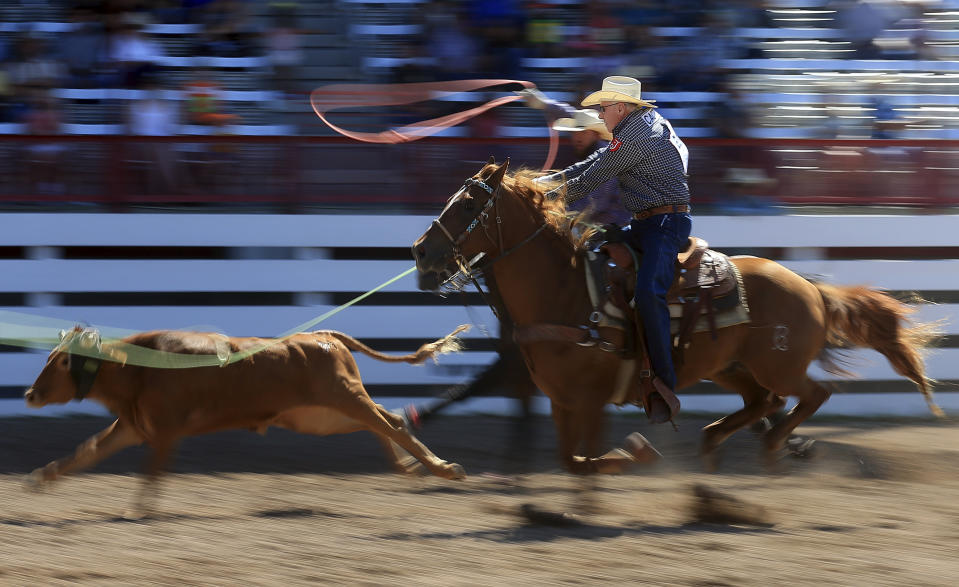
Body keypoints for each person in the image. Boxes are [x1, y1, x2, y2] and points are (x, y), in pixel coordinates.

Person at [532, 75, 691, 424]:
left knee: (650, 293)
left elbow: (591, 178)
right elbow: (589, 166)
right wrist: (541, 183)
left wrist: (542, 198)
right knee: (594, 255)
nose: (599, 115)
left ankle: (663, 381)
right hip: (648, 224)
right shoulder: (638, 127)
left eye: (603, 108)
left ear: (620, 106)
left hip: (664, 227)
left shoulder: (638, 135)